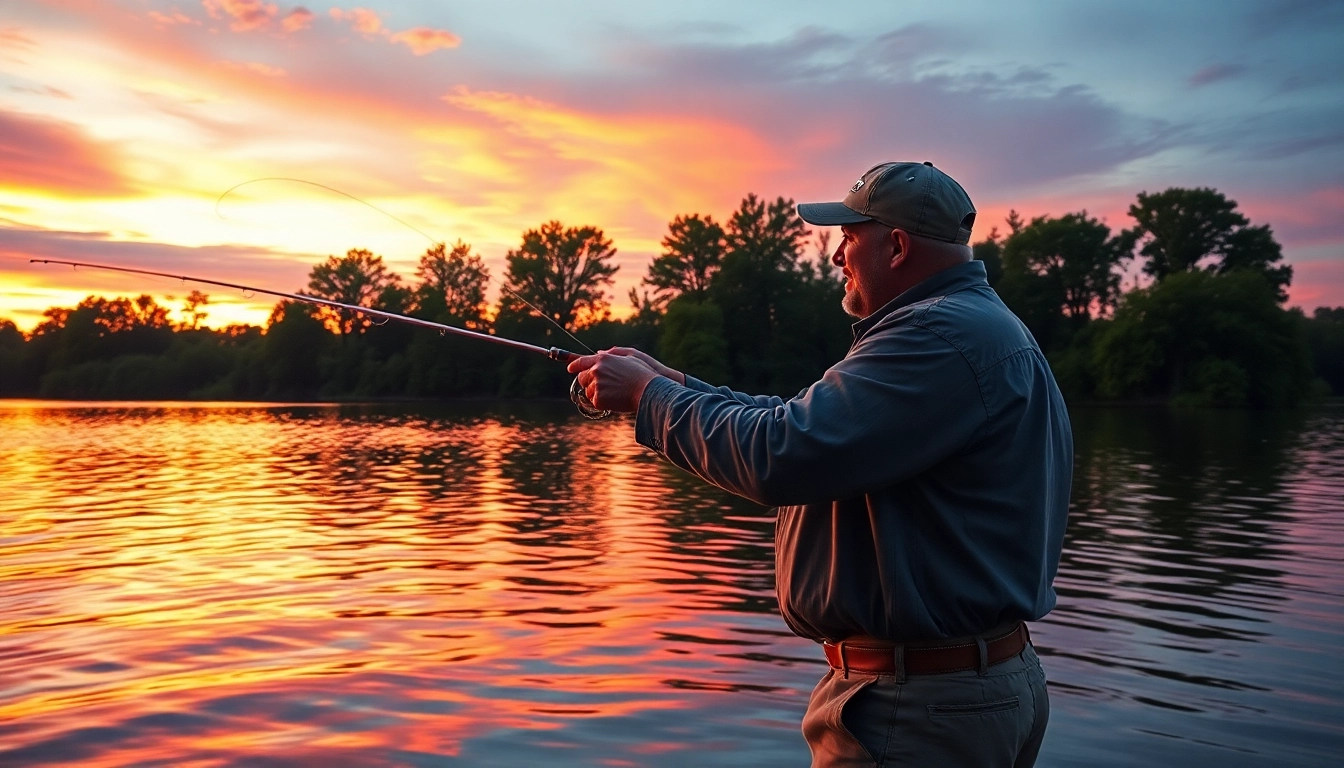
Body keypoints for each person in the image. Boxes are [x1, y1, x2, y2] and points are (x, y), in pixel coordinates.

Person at [568, 161, 1072, 767]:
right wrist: (673, 383)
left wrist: (648, 399)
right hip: (953, 693)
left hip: (920, 708)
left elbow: (781, 454)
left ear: (898, 245)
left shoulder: (936, 337)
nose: (838, 255)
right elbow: (800, 422)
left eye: (849, 237)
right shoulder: (969, 326)